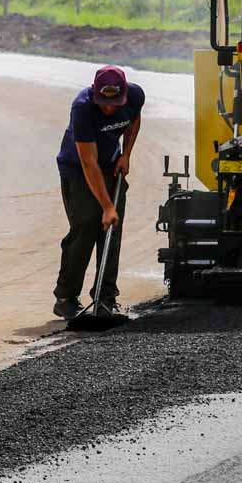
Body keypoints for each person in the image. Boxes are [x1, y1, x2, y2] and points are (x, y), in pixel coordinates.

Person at [52, 67, 145, 318]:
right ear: (95, 94)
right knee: (85, 226)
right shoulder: (82, 108)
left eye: (115, 104)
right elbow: (88, 163)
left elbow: (134, 120)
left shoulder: (135, 96)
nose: (110, 109)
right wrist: (107, 206)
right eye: (105, 104)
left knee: (111, 231)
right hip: (78, 169)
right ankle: (66, 297)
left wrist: (126, 154)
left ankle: (105, 298)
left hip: (110, 165)